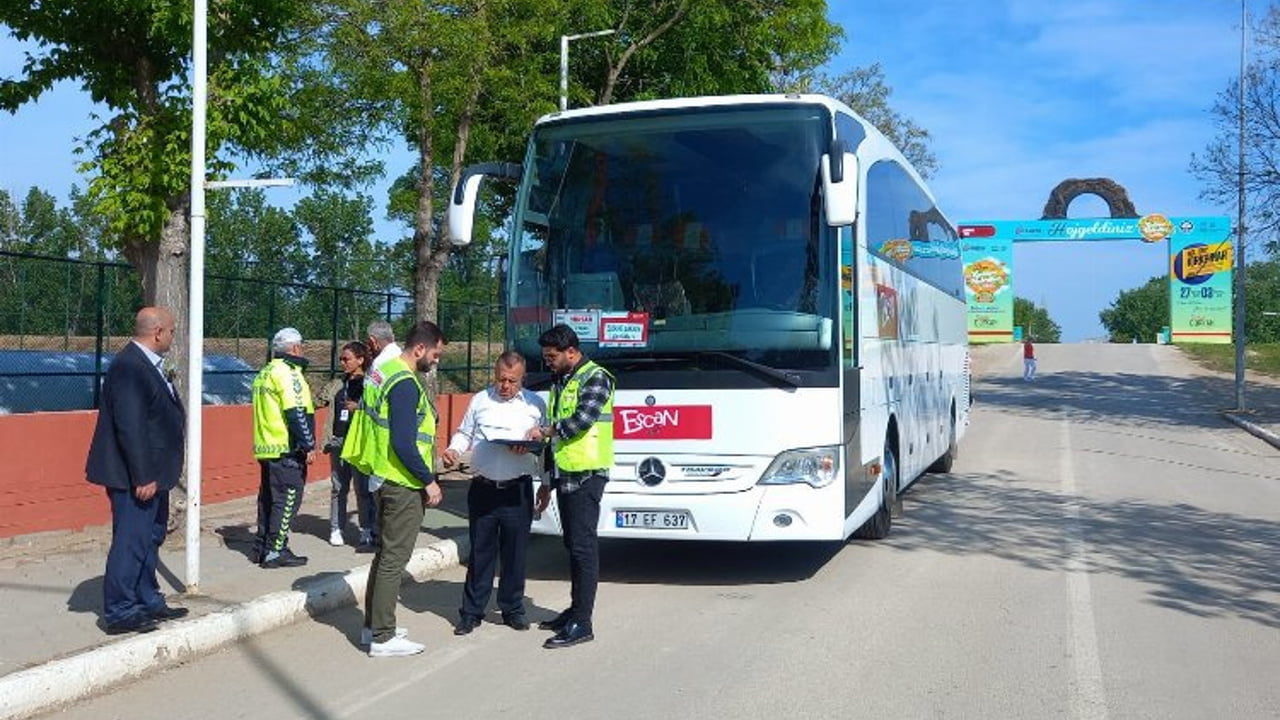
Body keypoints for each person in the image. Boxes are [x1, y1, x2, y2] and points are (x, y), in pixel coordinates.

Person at [85, 307, 187, 635]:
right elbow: (130, 425)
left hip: (155, 472)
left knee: (150, 538)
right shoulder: (129, 366)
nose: (173, 336)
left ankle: (148, 599)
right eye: (171, 331)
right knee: (131, 540)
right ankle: (119, 611)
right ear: (157, 332)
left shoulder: (148, 364)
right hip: (135, 477)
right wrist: (142, 475)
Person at [442, 351, 547, 636]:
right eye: (501, 379)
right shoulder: (480, 400)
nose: (505, 386)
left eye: (512, 381)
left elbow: (545, 450)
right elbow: (465, 433)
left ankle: (512, 609)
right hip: (484, 488)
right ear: (495, 375)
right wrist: (454, 449)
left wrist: (545, 484)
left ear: (522, 379)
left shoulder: (535, 405)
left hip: (518, 490)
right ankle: (471, 612)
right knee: (480, 553)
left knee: (514, 554)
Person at [525, 324, 615, 649]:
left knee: (583, 548)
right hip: (566, 474)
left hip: (587, 475)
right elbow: (557, 443)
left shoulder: (596, 377)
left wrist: (545, 431)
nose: (547, 361)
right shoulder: (562, 379)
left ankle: (583, 623)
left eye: (552, 356)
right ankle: (575, 611)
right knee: (572, 547)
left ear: (571, 352)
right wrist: (546, 481)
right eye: (546, 356)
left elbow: (581, 421)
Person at [363, 320, 447, 657]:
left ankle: (374, 626)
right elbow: (403, 440)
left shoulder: (388, 372)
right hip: (402, 483)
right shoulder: (406, 383)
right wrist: (428, 480)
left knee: (384, 556)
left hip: (386, 478)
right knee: (393, 560)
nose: (437, 360)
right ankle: (383, 637)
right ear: (420, 349)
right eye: (436, 354)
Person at [251, 327, 317, 569]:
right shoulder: (289, 374)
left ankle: (262, 547)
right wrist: (308, 444)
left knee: (268, 500)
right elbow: (296, 412)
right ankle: (276, 550)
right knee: (287, 499)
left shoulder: (265, 372)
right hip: (285, 449)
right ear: (296, 348)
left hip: (266, 448)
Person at [318, 341, 377, 551]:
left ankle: (367, 529)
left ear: (360, 360)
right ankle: (336, 528)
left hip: (359, 442)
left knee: (363, 489)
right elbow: (319, 399)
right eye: (341, 359)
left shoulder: (370, 384)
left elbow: (378, 408)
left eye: (347, 359)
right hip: (338, 441)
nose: (342, 362)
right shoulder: (338, 383)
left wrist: (358, 408)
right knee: (338, 487)